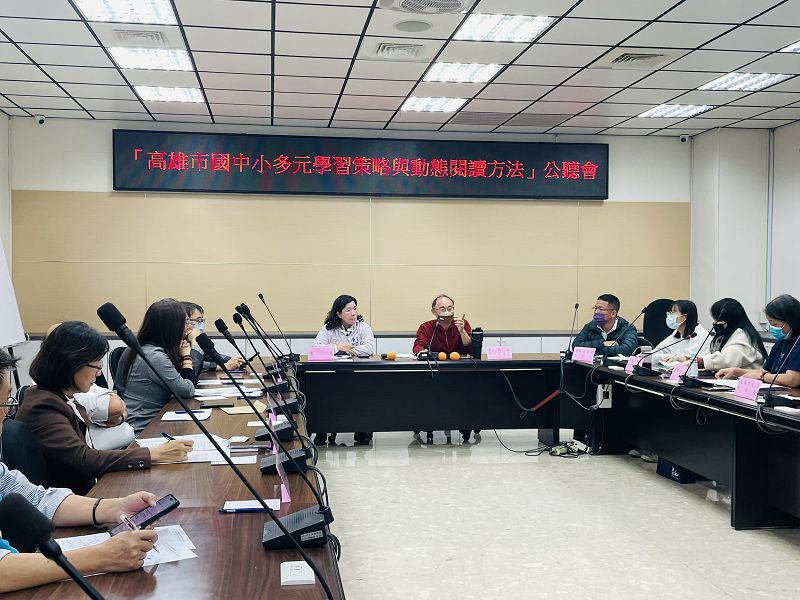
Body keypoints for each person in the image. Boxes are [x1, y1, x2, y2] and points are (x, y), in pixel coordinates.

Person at [16, 322, 193, 494]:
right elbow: (84, 460)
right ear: (71, 363)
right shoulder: (43, 406)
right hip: (76, 499)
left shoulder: (58, 396)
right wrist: (153, 453)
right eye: (97, 365)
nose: (99, 372)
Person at [43, 323, 135, 451]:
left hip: (92, 449)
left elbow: (116, 402)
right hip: (89, 455)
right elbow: (115, 406)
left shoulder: (73, 385)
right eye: (96, 365)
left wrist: (120, 417)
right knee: (127, 432)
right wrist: (150, 455)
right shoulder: (46, 402)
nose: (99, 373)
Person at [115, 298, 199, 434]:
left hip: (153, 420)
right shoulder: (154, 356)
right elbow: (187, 390)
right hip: (144, 429)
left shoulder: (141, 348)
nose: (188, 327)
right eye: (185, 322)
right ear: (172, 327)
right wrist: (189, 353)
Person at [412, 294, 477, 444]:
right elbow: (418, 345)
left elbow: (471, 349)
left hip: (460, 374)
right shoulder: (426, 327)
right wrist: (421, 352)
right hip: (435, 374)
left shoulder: (462, 324)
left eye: (450, 308)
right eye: (442, 309)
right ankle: (427, 421)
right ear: (433, 311)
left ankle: (465, 421)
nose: (447, 312)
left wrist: (462, 332)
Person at [311, 295, 375, 446]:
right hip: (333, 375)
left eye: (355, 309)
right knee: (326, 395)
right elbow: (315, 350)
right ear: (339, 314)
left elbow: (370, 348)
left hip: (358, 375)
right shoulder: (328, 329)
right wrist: (337, 347)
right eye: (348, 310)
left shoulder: (363, 327)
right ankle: (323, 428)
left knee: (361, 395)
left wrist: (349, 349)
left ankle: (361, 428)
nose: (353, 313)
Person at [716, 294, 800, 386]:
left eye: (775, 324)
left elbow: (792, 379)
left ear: (790, 320)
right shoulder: (782, 342)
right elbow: (765, 372)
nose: (772, 328)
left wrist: (762, 376)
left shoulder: (798, 342)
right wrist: (737, 372)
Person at [669, 298, 766, 371]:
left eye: (718, 319)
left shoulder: (742, 335)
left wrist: (696, 362)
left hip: (744, 384)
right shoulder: (724, 335)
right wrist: (686, 359)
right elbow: (710, 354)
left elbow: (726, 359)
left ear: (729, 319)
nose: (715, 323)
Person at [182, 301, 245, 374]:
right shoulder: (178, 343)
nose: (201, 323)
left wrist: (231, 359)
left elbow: (210, 356)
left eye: (202, 320)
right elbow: (192, 366)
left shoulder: (194, 338)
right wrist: (223, 366)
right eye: (198, 320)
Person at [573, 294, 638, 357]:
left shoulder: (627, 328)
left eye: (601, 309)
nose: (596, 312)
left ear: (613, 313)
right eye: (595, 308)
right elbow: (576, 346)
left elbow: (626, 350)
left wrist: (595, 350)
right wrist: (603, 343)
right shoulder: (590, 326)